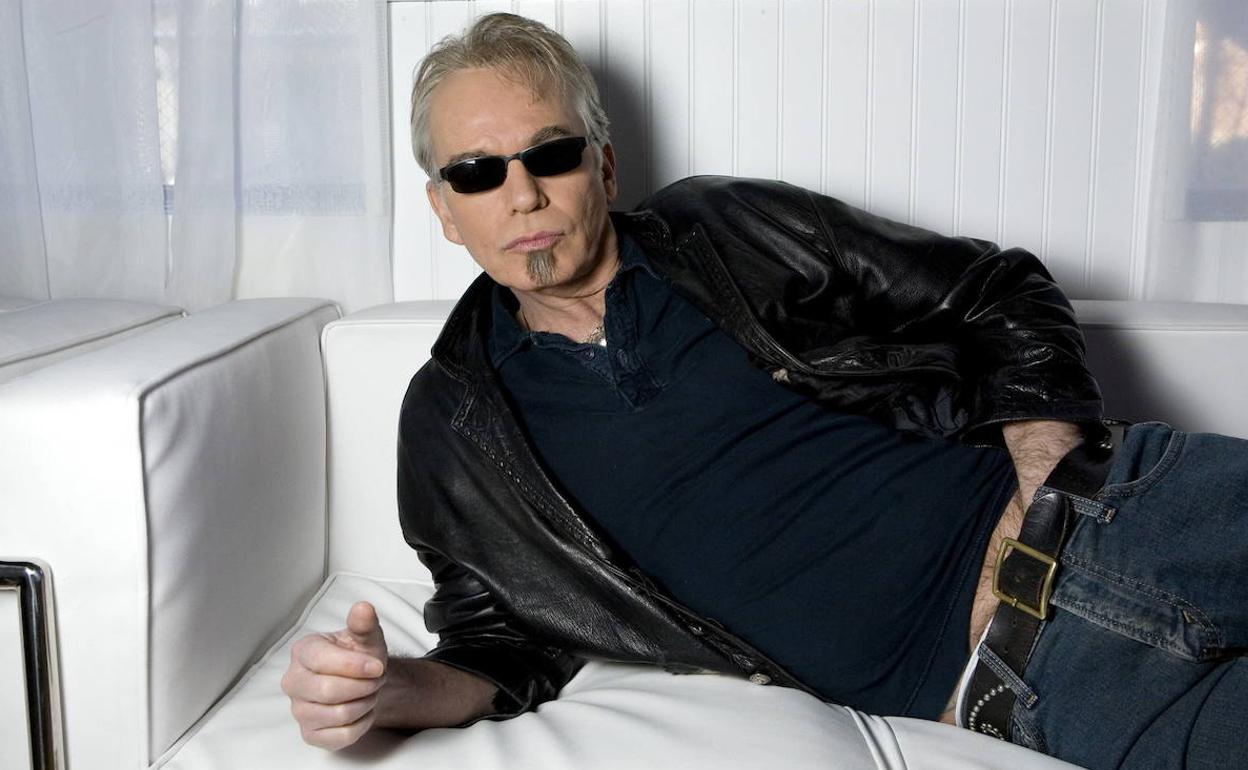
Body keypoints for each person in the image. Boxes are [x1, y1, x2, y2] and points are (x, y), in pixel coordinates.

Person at [280, 13, 1247, 769]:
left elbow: (995, 290)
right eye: (478, 173)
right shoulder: (453, 424)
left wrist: (1044, 481)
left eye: (551, 154)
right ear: (445, 210)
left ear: (602, 165)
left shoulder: (725, 229)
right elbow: (498, 642)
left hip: (1130, 511)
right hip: (1029, 681)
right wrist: (389, 692)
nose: (522, 195)